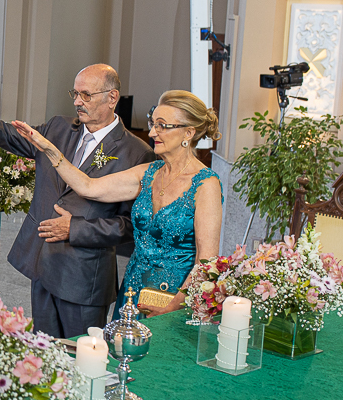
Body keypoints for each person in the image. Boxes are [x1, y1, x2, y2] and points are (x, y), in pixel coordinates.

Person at [0, 65, 155, 339]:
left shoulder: (137, 153)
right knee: (44, 351)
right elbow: (7, 135)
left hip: (84, 276)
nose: (76, 101)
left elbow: (129, 226)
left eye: (86, 95)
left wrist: (75, 228)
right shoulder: (59, 127)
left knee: (80, 356)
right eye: (75, 93)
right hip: (42, 263)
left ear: (112, 97)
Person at [14, 90, 223, 316]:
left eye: (162, 125)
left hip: (176, 297)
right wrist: (50, 150)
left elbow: (206, 261)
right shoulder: (148, 174)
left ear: (188, 132)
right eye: (153, 123)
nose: (153, 132)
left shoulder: (205, 184)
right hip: (133, 290)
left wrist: (174, 308)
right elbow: (88, 186)